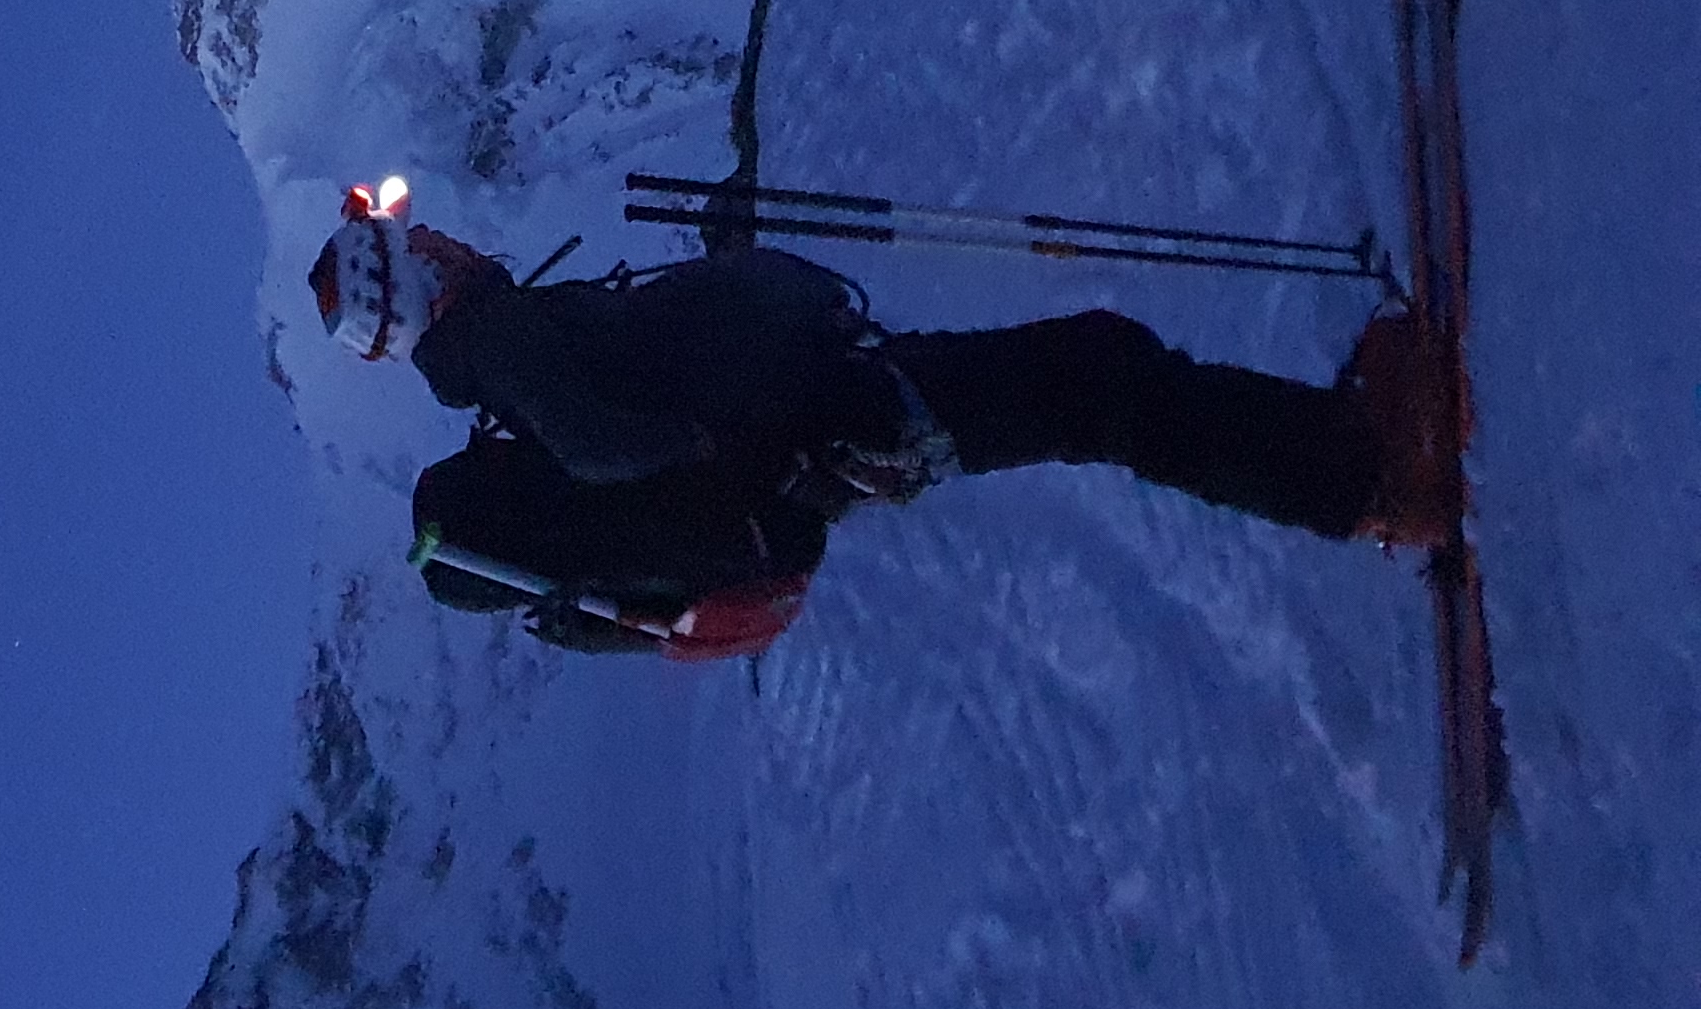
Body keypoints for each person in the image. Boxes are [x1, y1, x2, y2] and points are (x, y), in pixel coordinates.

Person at [306, 188, 1455, 660]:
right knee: (1101, 387)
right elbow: (614, 443)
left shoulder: (497, 355)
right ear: (408, 281)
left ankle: (1345, 458)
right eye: (416, 241)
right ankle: (1366, 483)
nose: (438, 233)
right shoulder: (501, 346)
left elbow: (632, 400)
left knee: (1095, 383)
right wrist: (752, 426)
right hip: (838, 421)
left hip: (828, 423)